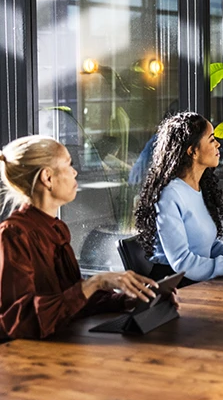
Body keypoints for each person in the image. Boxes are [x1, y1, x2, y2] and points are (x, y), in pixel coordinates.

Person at [0, 136, 162, 340]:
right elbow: (21, 322)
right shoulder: (14, 234)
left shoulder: (56, 229)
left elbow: (72, 303)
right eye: (68, 164)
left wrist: (127, 300)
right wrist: (95, 283)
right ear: (47, 178)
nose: (75, 172)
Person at [135, 112, 223, 283]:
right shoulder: (170, 194)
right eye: (211, 139)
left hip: (199, 281)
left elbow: (211, 247)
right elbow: (183, 263)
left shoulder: (199, 188)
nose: (218, 144)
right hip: (175, 286)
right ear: (193, 151)